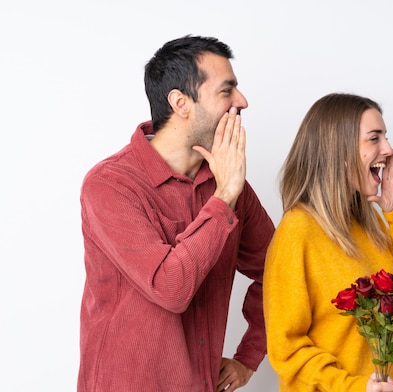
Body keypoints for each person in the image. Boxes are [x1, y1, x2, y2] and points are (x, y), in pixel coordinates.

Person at [78, 35, 275, 392]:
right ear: (181, 103)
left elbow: (281, 272)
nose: (242, 102)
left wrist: (249, 357)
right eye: (226, 91)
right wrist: (225, 195)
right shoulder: (109, 185)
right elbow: (171, 288)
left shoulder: (230, 188)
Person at [263, 93, 393, 392]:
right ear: (338, 150)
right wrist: (354, 387)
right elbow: (286, 351)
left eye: (385, 137)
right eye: (374, 138)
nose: (388, 149)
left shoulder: (372, 224)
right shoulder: (298, 231)